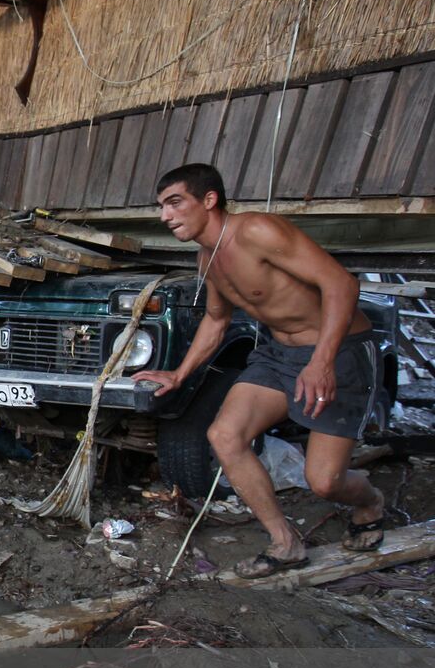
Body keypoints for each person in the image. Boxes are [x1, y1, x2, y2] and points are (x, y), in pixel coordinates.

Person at [133, 163, 385, 578]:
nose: (165, 216)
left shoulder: (257, 232)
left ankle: (369, 500)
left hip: (337, 352)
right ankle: (285, 543)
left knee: (324, 482)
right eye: (161, 206)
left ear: (209, 200)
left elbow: (341, 284)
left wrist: (322, 361)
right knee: (224, 435)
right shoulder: (207, 257)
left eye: (175, 203)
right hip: (275, 354)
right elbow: (216, 321)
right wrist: (179, 374)